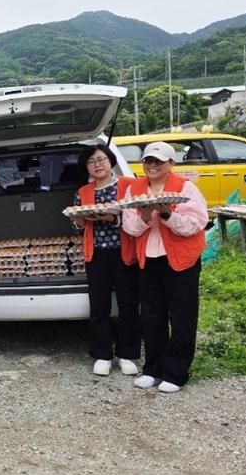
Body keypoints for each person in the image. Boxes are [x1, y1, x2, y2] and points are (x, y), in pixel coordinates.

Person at [121, 142, 207, 393]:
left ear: (171, 163)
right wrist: (147, 215)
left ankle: (176, 372)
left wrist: (167, 214)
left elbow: (195, 224)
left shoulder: (185, 187)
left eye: (158, 161)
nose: (152, 165)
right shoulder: (135, 190)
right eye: (148, 160)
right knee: (151, 315)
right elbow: (130, 228)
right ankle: (153, 368)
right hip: (149, 259)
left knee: (182, 317)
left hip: (181, 260)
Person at [70, 144, 140, 377]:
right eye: (91, 162)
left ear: (110, 161)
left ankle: (127, 354)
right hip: (97, 253)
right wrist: (81, 218)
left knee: (128, 303)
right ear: (87, 168)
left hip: (124, 251)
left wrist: (112, 217)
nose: (97, 165)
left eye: (101, 159)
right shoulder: (83, 191)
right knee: (99, 305)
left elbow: (136, 218)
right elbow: (78, 225)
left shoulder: (128, 185)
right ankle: (102, 354)